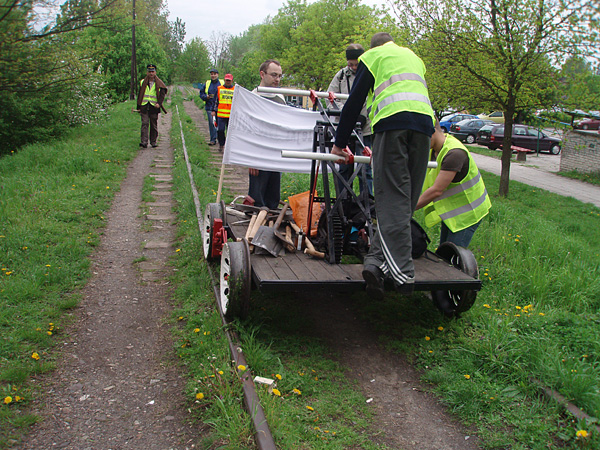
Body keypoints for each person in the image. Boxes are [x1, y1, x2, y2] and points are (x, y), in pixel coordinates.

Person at [331, 32, 436, 298]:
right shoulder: (413, 57)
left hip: (392, 126)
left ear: (374, 47)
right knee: (407, 199)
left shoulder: (373, 56)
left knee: (391, 198)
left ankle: (402, 273)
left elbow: (354, 102)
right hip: (424, 128)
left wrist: (339, 142)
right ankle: (375, 262)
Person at [416, 121, 491, 248]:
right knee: (444, 252)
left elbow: (437, 190)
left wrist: (406, 210)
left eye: (419, 139)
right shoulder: (434, 149)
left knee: (453, 260)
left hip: (467, 214)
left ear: (432, 132)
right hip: (452, 212)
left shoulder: (454, 154)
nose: (417, 144)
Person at [327, 43, 373, 196]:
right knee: (344, 167)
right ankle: (344, 201)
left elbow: (372, 99)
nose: (354, 67)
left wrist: (362, 116)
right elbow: (330, 97)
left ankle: (368, 200)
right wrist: (346, 113)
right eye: (350, 64)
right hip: (345, 128)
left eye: (356, 64)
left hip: (364, 129)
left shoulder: (369, 72)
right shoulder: (341, 76)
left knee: (365, 168)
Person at [248, 59, 286, 209]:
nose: (277, 79)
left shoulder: (280, 97)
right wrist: (251, 158)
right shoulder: (253, 97)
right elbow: (248, 129)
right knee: (257, 199)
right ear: (262, 74)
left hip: (275, 153)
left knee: (273, 197)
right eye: (274, 75)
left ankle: (270, 226)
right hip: (258, 153)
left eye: (279, 76)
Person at [137, 64, 167, 148]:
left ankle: (153, 141)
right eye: (149, 72)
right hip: (144, 106)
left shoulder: (159, 82)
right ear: (147, 72)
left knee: (153, 125)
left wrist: (159, 103)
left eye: (152, 72)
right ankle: (144, 142)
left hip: (154, 106)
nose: (151, 73)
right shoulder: (143, 82)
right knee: (145, 123)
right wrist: (138, 106)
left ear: (155, 72)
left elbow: (162, 93)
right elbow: (140, 94)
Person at [212, 73, 235, 152]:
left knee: (230, 132)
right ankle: (221, 144)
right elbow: (215, 101)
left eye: (229, 80)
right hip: (221, 114)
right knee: (220, 130)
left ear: (232, 80)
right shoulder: (219, 89)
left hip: (231, 115)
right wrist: (213, 110)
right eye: (227, 80)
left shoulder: (235, 89)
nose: (228, 82)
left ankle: (229, 147)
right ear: (224, 80)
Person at [199, 69, 222, 146]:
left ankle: (220, 139)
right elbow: (201, 93)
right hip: (209, 106)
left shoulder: (222, 83)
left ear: (217, 75)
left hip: (220, 107)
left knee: (220, 125)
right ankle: (213, 139)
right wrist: (206, 97)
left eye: (214, 74)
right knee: (212, 124)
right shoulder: (207, 83)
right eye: (212, 74)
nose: (213, 75)